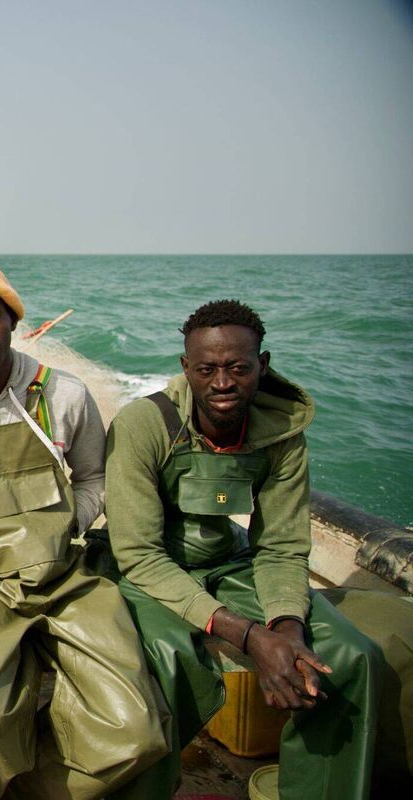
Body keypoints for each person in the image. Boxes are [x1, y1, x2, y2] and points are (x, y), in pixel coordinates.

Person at [0, 258, 167, 800]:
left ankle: (34, 790)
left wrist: (67, 522)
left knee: (137, 731)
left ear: (13, 320)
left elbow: (95, 479)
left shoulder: (64, 395)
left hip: (65, 577)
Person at [105, 299, 390, 799]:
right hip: (152, 572)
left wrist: (286, 629)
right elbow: (139, 555)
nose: (222, 383)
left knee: (349, 655)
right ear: (186, 368)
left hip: (228, 561)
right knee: (166, 662)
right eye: (207, 370)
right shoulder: (144, 425)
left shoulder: (281, 433)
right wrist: (250, 635)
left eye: (238, 368)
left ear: (263, 364)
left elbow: (280, 545)